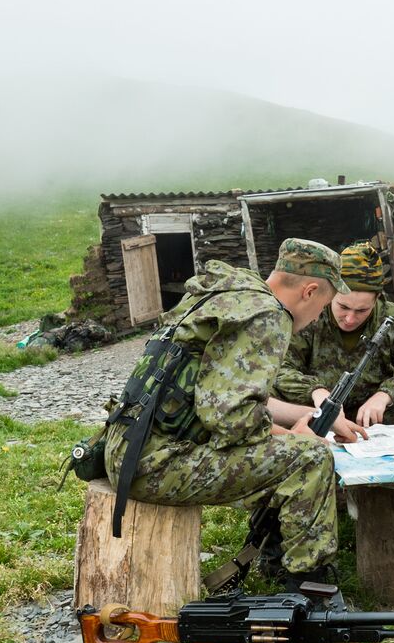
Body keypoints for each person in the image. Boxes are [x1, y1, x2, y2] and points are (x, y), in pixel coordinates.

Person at [103, 238, 366, 590]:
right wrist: (294, 438)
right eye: (325, 304)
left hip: (128, 447)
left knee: (295, 452)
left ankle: (277, 553)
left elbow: (223, 393)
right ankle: (309, 589)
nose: (321, 315)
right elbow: (231, 418)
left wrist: (309, 413)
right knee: (311, 458)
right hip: (156, 464)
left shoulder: (235, 296)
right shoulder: (269, 316)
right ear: (310, 290)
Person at [275, 240, 394, 428]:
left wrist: (387, 394)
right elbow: (280, 368)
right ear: (331, 292)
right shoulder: (312, 313)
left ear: (377, 298)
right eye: (343, 307)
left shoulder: (391, 317)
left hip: (373, 416)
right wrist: (316, 391)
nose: (350, 319)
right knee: (266, 401)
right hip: (314, 410)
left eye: (362, 310)